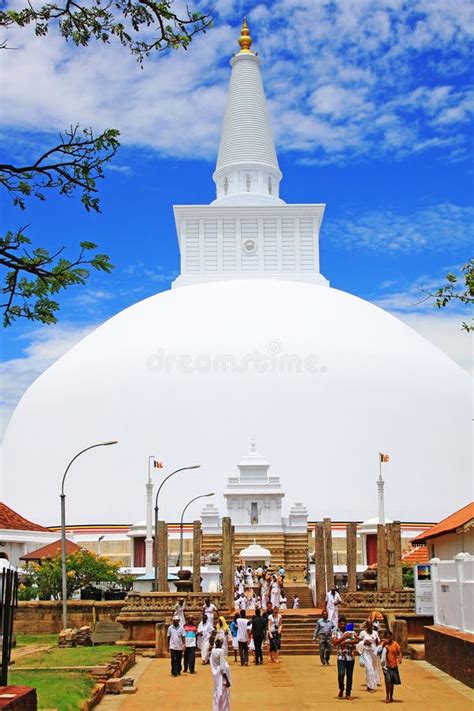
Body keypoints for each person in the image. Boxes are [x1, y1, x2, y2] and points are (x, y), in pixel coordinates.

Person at [333, 615, 357, 700]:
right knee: (341, 674)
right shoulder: (335, 632)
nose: (343, 625)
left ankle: (348, 692)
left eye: (344, 624)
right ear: (339, 625)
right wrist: (344, 638)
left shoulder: (351, 632)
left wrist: (347, 642)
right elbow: (335, 642)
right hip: (341, 657)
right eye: (341, 624)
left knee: (349, 676)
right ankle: (341, 688)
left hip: (350, 656)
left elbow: (356, 640)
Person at [357, 620, 380, 692]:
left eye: (371, 625)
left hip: (374, 653)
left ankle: (369, 684)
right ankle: (372, 687)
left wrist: (379, 651)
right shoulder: (362, 633)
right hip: (366, 652)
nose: (370, 627)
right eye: (369, 625)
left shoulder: (375, 633)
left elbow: (377, 642)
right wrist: (364, 642)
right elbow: (358, 641)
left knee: (373, 669)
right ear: (366, 626)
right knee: (370, 669)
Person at [380, 630, 402, 704]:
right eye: (387, 636)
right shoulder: (383, 644)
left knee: (392, 682)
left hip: (394, 665)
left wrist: (400, 658)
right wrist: (383, 645)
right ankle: (387, 696)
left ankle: (391, 696)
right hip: (386, 666)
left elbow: (399, 652)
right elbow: (378, 651)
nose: (388, 637)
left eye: (389, 636)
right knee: (387, 681)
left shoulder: (395, 644)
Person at [210, 637, 231, 711]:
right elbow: (222, 668)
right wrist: (227, 680)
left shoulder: (212, 651)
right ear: (222, 643)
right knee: (224, 698)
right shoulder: (221, 651)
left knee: (217, 695)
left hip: (216, 677)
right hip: (222, 678)